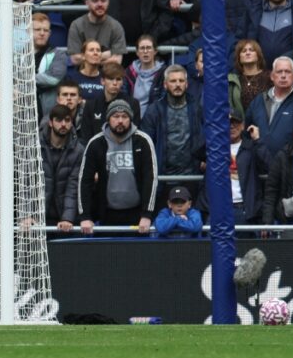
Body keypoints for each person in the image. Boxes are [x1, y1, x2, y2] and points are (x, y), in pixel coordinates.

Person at [78, 99, 159, 234]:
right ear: (108, 119)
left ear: (130, 119)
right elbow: (84, 180)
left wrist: (147, 214)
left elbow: (150, 178)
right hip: (106, 213)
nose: (120, 121)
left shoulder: (143, 141)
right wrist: (85, 216)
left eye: (124, 117)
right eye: (116, 116)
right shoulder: (96, 143)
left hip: (137, 214)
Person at [140, 64, 204, 193]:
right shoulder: (154, 110)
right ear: (165, 85)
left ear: (187, 84)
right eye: (173, 81)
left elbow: (205, 136)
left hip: (192, 176)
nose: (178, 84)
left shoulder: (197, 109)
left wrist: (204, 158)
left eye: (181, 81)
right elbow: (145, 143)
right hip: (163, 178)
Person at [244, 56, 293, 165]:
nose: (283, 76)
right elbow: (246, 132)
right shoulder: (258, 101)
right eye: (279, 72)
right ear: (272, 76)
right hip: (258, 169)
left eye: (287, 72)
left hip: (287, 169)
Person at [40, 103, 84, 233]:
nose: (63, 124)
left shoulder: (78, 150)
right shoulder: (35, 146)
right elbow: (27, 183)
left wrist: (67, 218)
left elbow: (73, 186)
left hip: (64, 217)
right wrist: (29, 215)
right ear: (50, 123)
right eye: (59, 120)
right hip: (39, 217)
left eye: (67, 120)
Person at [67, 0, 127, 65]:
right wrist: (104, 55)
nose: (100, 4)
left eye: (103, 0)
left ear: (108, 2)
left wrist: (89, 57)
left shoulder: (116, 26)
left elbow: (117, 61)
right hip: (83, 74)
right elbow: (75, 59)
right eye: (95, 0)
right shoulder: (77, 25)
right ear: (87, 3)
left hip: (107, 75)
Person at [79, 61, 142, 138]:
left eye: (118, 79)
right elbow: (85, 136)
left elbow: (134, 134)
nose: (115, 83)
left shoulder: (132, 104)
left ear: (122, 82)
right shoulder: (91, 105)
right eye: (111, 79)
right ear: (102, 81)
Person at [33, 13, 69, 119]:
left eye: (46, 30)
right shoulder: (18, 55)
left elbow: (53, 79)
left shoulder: (59, 54)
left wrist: (24, 78)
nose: (42, 33)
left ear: (50, 33)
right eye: (37, 29)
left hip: (48, 115)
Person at [124, 34, 166, 115]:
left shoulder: (163, 73)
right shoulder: (128, 72)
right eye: (142, 48)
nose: (145, 51)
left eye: (149, 48)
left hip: (153, 118)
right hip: (131, 116)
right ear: (137, 52)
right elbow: (124, 96)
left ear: (155, 51)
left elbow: (162, 100)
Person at [230, 39, 270, 116]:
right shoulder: (234, 80)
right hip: (240, 124)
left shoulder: (269, 77)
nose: (248, 53)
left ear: (258, 55)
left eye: (251, 50)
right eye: (244, 51)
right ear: (239, 57)